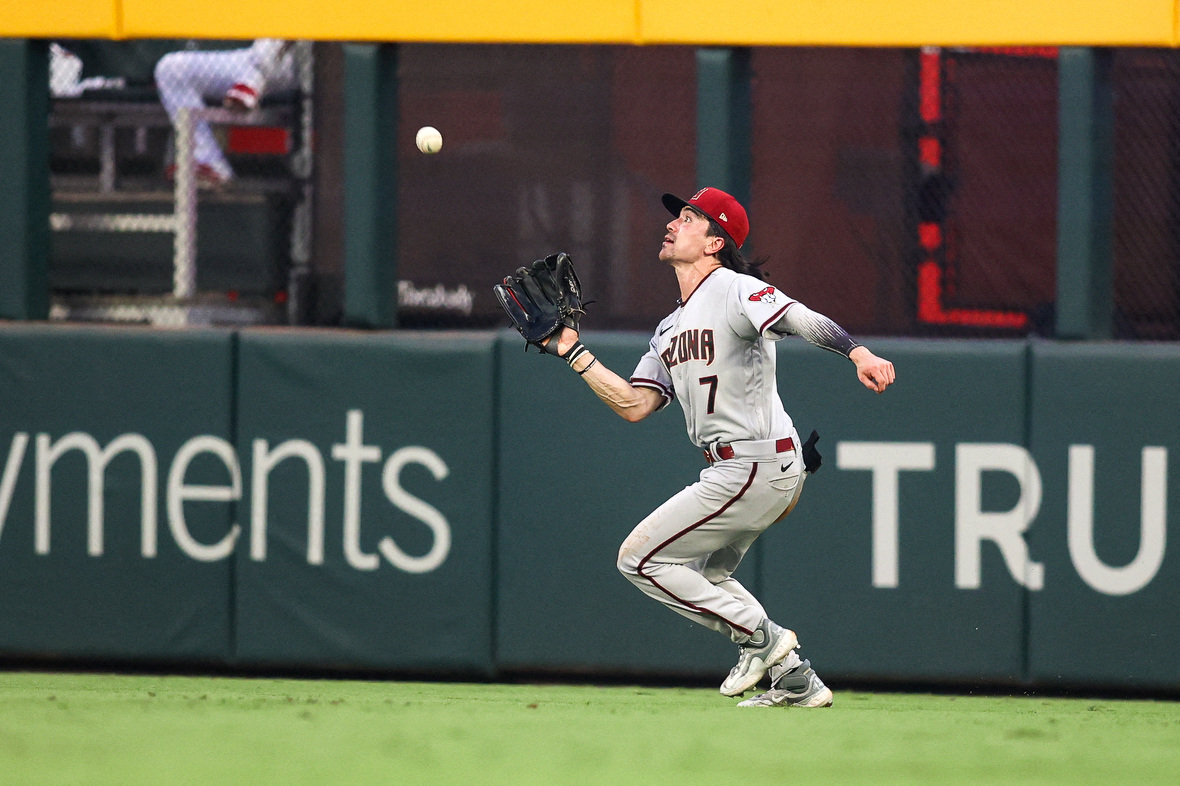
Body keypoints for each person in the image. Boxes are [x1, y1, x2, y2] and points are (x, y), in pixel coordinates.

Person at [543, 187, 895, 707]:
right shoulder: (667, 329)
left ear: (714, 242)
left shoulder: (734, 288)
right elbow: (634, 405)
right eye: (678, 216)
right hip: (749, 469)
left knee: (639, 560)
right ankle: (796, 680)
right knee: (709, 577)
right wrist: (573, 352)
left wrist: (855, 350)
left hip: (755, 463)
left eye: (689, 218)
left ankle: (764, 640)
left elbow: (797, 316)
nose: (673, 224)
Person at [154, 39, 297, 188]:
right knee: (169, 68)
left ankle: (252, 83)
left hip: (291, 63)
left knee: (288, 25)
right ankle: (207, 160)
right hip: (247, 58)